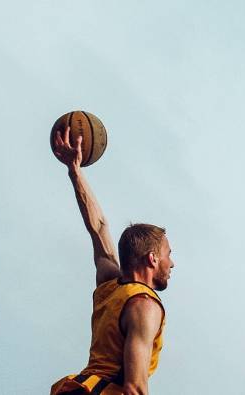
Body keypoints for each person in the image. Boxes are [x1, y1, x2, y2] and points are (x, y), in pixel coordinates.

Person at [50, 127, 174, 395]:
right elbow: (135, 387)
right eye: (168, 255)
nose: (172, 264)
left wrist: (75, 171)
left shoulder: (111, 284)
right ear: (152, 259)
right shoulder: (144, 305)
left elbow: (98, 226)